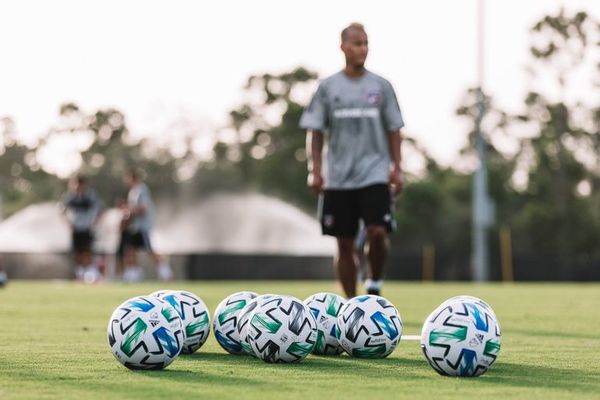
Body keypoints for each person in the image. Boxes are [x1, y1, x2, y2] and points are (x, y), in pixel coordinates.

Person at [300, 22, 404, 298]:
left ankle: (375, 282)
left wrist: (397, 168)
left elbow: (395, 129)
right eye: (357, 43)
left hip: (374, 173)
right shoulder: (327, 88)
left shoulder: (381, 86)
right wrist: (316, 170)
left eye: (366, 43)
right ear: (343, 47)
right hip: (338, 178)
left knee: (377, 232)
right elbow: (316, 131)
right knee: (344, 245)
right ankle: (352, 304)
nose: (363, 48)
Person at [120, 168, 173, 282]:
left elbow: (143, 208)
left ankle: (166, 271)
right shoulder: (133, 191)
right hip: (135, 227)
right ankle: (134, 274)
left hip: (142, 227)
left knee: (149, 250)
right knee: (132, 250)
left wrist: (128, 210)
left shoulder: (141, 190)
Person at [61, 175, 103, 283]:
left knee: (87, 251)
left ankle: (89, 274)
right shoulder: (71, 197)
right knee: (77, 252)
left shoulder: (90, 196)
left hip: (86, 228)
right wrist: (69, 223)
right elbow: (62, 211)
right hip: (76, 229)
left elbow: (99, 210)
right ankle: (80, 274)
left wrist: (93, 223)